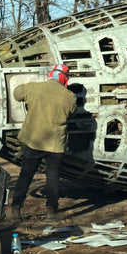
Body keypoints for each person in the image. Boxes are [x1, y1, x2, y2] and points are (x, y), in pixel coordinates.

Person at [11, 64, 77, 222]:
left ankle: (16, 209)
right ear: (65, 78)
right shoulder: (70, 97)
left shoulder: (34, 88)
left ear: (51, 75)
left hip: (35, 140)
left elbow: (16, 94)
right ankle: (51, 211)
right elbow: (71, 115)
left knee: (26, 174)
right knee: (53, 177)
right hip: (56, 144)